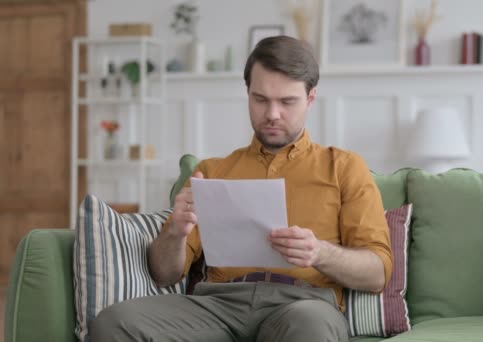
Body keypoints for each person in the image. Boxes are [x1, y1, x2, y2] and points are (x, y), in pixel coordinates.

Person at [91, 36, 393, 342]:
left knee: (309, 328)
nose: (272, 113)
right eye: (260, 99)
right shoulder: (212, 172)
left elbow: (377, 273)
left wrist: (320, 252)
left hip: (304, 305)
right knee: (115, 322)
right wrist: (176, 232)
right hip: (219, 305)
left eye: (287, 101)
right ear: (247, 93)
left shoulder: (343, 167)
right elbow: (164, 274)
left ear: (311, 98)